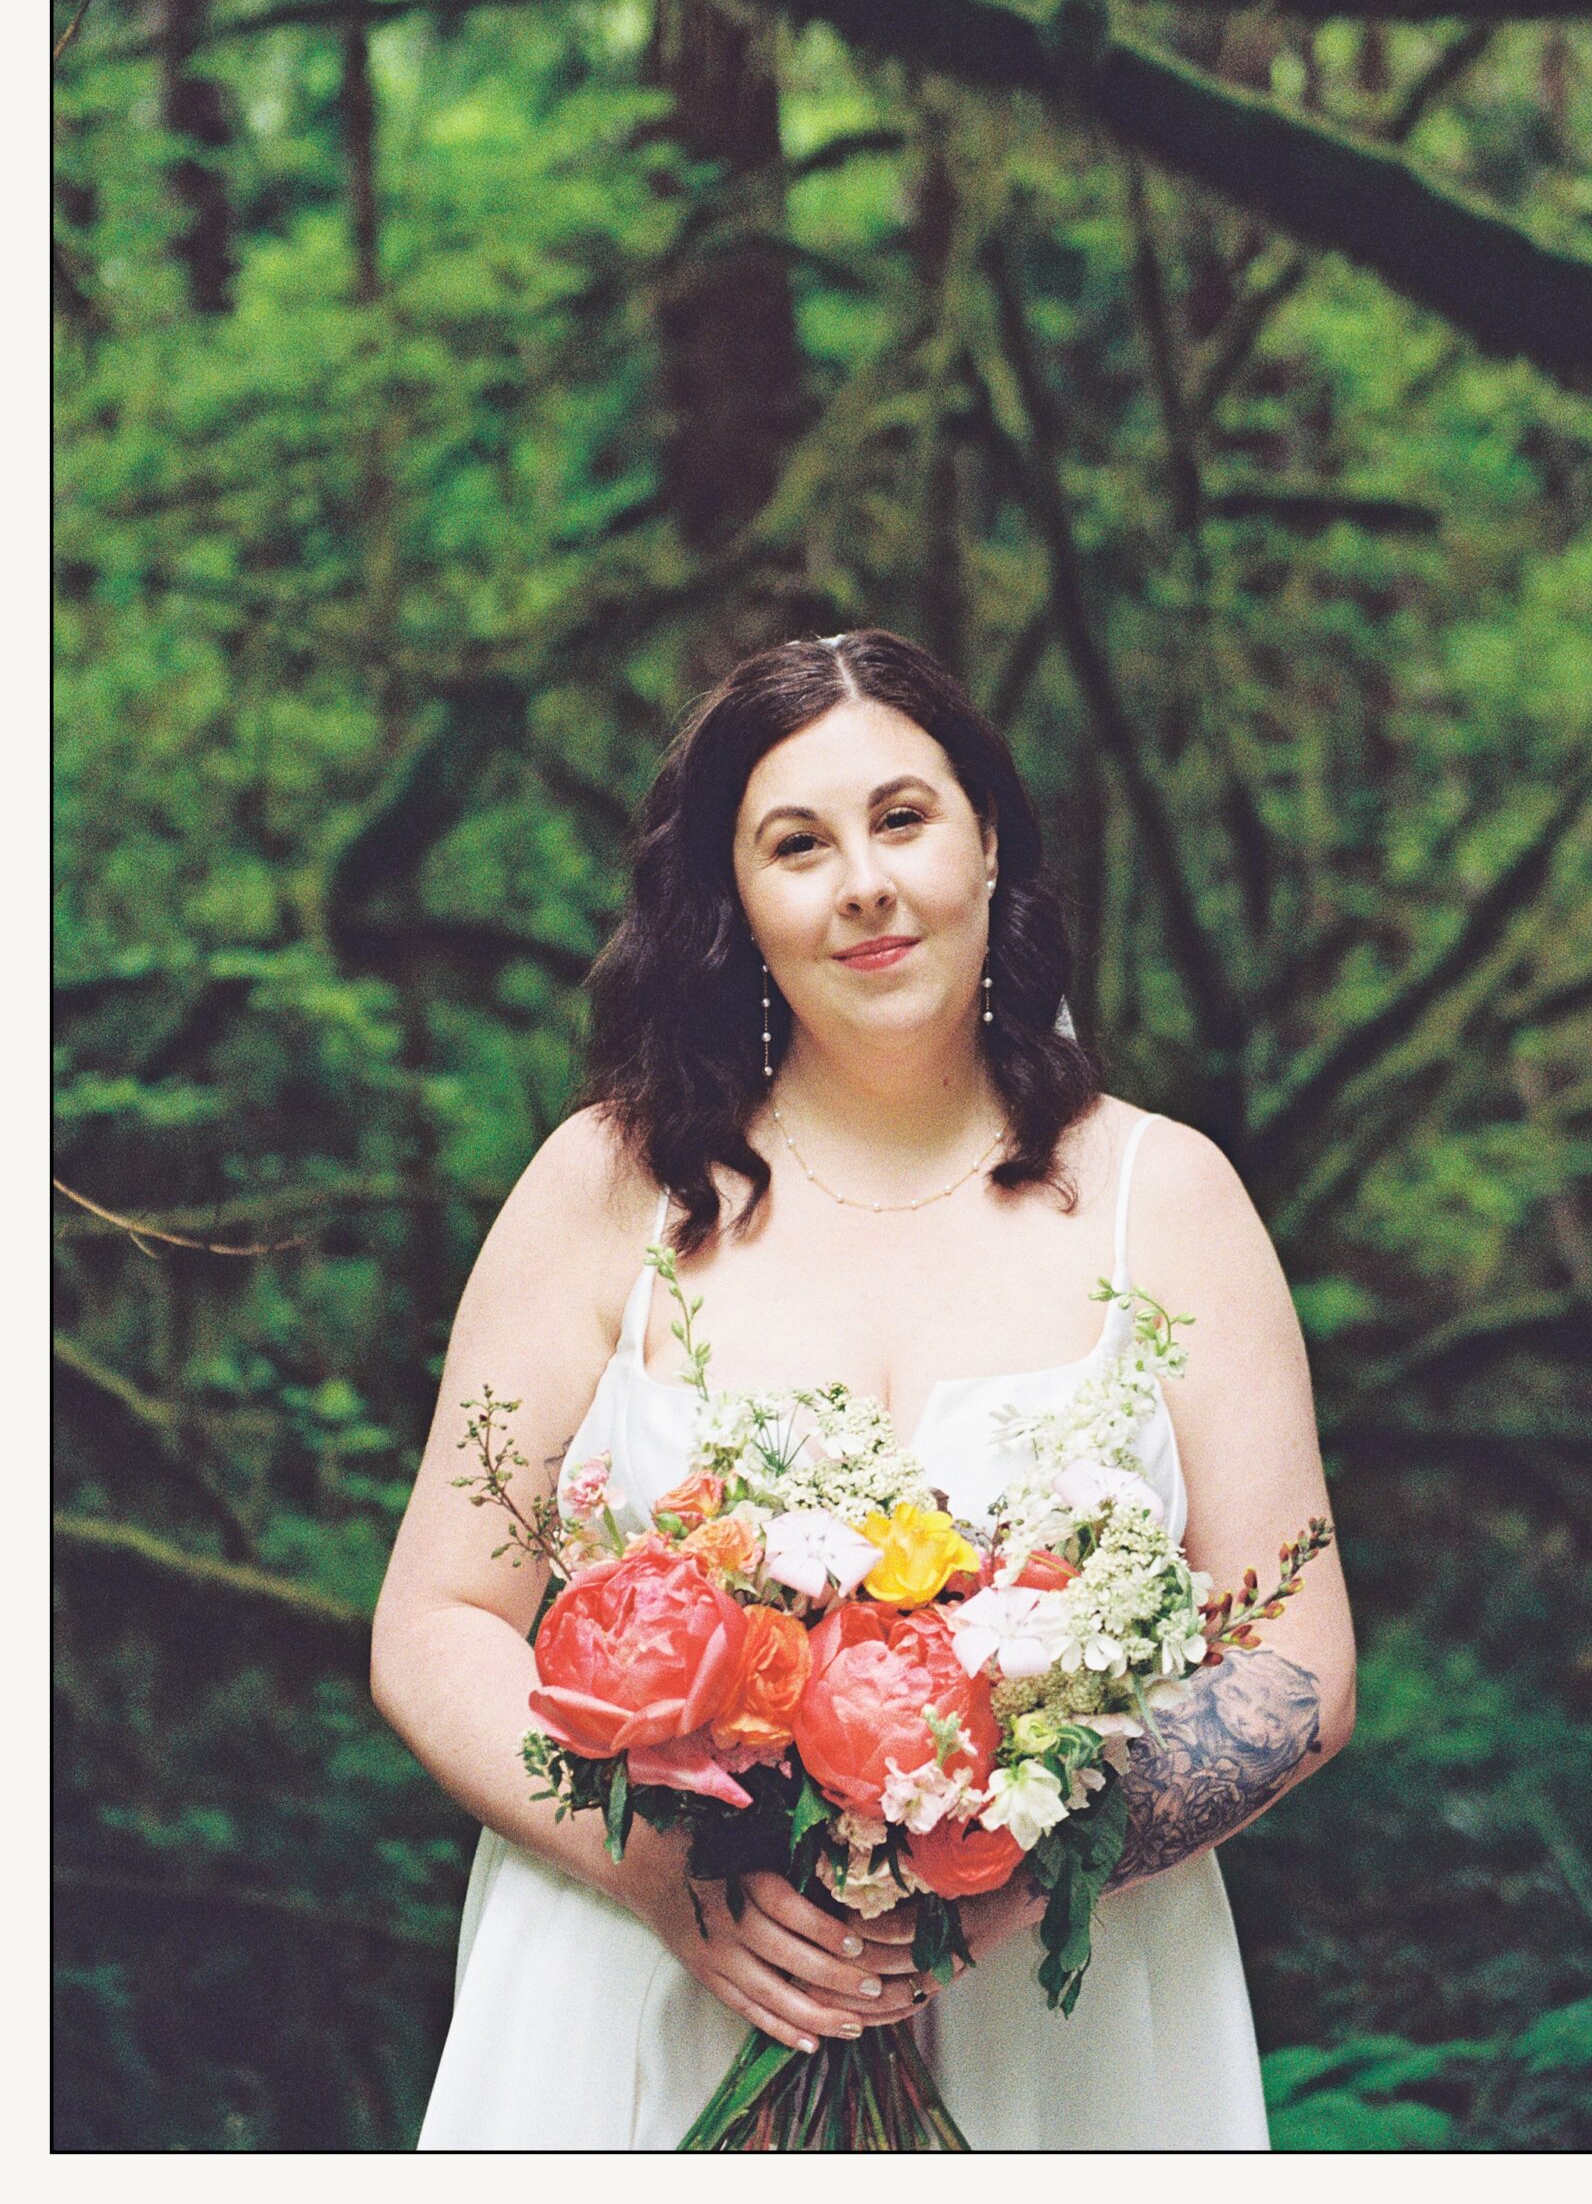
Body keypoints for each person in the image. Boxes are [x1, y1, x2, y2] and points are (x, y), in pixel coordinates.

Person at [374, 627, 1356, 2150]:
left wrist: (1008, 1876)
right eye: (796, 845)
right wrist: (662, 1870)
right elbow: (436, 1620)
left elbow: (1295, 1658)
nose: (864, 885)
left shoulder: (1167, 1199)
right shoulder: (606, 1187)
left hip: (1061, 2020)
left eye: (903, 819)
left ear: (988, 849)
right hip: (643, 1987)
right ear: (736, 907)